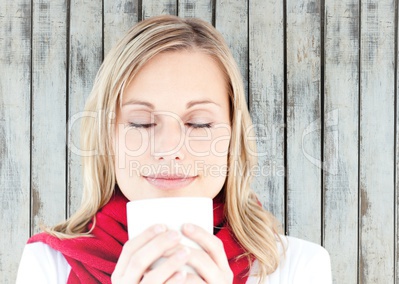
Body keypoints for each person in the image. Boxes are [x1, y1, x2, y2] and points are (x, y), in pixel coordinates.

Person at [16, 15, 332, 284]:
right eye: (140, 123)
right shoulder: (48, 266)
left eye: (199, 124)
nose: (169, 149)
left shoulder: (297, 268)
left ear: (232, 137)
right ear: (108, 137)